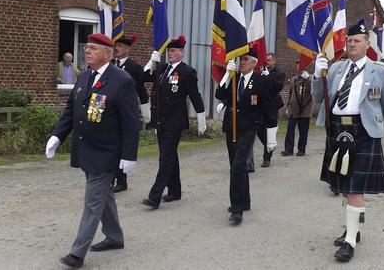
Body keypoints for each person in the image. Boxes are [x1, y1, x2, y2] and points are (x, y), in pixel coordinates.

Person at [45, 33, 140, 269]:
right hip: (86, 149)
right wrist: (57, 135)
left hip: (107, 152)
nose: (87, 52)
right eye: (86, 48)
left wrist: (129, 154)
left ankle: (77, 253)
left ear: (107, 54)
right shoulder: (85, 76)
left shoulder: (122, 80)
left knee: (93, 200)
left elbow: (131, 121)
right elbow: (71, 110)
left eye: (93, 49)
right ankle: (115, 237)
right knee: (104, 196)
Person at [312, 19, 384, 263]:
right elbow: (319, 98)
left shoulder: (380, 71)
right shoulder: (335, 69)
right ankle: (353, 229)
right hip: (338, 130)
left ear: (367, 44)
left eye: (357, 40)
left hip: (363, 131)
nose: (352, 44)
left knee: (354, 187)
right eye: (349, 40)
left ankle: (350, 240)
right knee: (343, 184)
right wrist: (316, 73)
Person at [141, 35, 206, 209]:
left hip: (175, 121)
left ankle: (154, 197)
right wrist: (150, 62)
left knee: (165, 158)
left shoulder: (187, 71)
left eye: (174, 51)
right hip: (161, 120)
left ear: (182, 53)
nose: (170, 53)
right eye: (169, 51)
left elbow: (194, 95)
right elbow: (144, 78)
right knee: (170, 157)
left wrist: (201, 117)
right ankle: (175, 191)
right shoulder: (162, 68)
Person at [215, 45, 277, 225]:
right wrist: (227, 75)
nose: (241, 63)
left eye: (245, 60)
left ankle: (237, 208)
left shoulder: (261, 81)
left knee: (238, 165)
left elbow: (268, 108)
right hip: (231, 126)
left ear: (254, 63)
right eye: (240, 59)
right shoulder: (234, 78)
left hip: (249, 127)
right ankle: (246, 201)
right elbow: (220, 94)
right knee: (236, 165)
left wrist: (271, 135)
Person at [111, 34, 150, 193]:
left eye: (119, 46)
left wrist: (145, 109)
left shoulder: (134, 67)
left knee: (122, 146)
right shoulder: (111, 65)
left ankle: (122, 180)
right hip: (112, 111)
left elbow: (140, 89)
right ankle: (110, 177)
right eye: (116, 46)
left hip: (126, 111)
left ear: (127, 49)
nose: (116, 49)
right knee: (112, 146)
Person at [255, 52, 285, 167]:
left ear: (274, 61)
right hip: (261, 106)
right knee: (259, 130)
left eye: (268, 60)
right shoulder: (261, 72)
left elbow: (278, 87)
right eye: (265, 60)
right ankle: (269, 144)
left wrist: (269, 77)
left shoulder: (279, 73)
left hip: (272, 106)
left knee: (270, 131)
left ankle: (266, 158)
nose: (266, 63)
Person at [282, 62, 313, 156]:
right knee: (290, 129)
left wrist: (307, 79)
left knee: (303, 131)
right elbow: (290, 93)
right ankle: (288, 149)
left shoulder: (310, 79)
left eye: (301, 66)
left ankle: (301, 149)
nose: (299, 68)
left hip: (305, 109)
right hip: (293, 109)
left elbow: (311, 90)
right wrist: (287, 106)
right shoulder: (294, 80)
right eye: (298, 66)